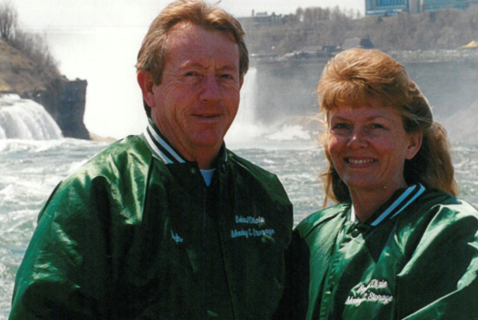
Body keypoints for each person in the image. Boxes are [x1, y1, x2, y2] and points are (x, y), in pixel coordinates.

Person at [9, 1, 292, 319]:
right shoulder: (95, 196)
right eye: (192, 75)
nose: (211, 94)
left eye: (225, 76)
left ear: (241, 84)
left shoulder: (265, 196)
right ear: (149, 87)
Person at [279, 48, 478, 319]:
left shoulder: (450, 230)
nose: (356, 141)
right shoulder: (311, 237)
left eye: (375, 126)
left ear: (412, 142)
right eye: (342, 126)